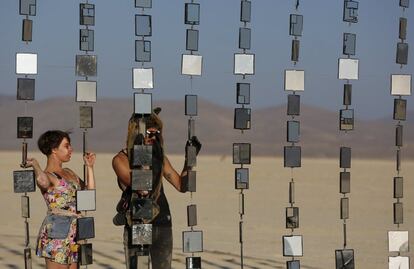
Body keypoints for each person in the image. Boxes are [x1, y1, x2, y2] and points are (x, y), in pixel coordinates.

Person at [112, 108, 201, 269]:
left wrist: (190, 158)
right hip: (139, 222)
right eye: (148, 133)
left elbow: (182, 186)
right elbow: (142, 188)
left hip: (163, 222)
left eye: (156, 133)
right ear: (136, 132)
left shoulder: (160, 158)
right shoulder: (121, 159)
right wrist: (142, 152)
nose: (152, 138)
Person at [26, 130, 96, 269]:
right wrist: (36, 166)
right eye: (66, 146)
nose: (71, 149)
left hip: (75, 232)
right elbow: (43, 182)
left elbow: (89, 195)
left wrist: (89, 167)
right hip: (57, 232)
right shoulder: (48, 175)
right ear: (54, 150)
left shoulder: (69, 172)